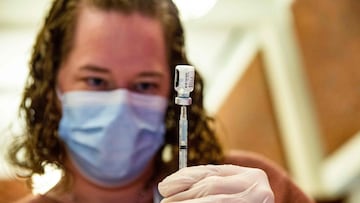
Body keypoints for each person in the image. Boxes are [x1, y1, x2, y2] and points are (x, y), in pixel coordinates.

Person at [7, 0, 315, 202]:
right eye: (96, 81)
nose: (120, 107)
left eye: (144, 84)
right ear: (53, 88)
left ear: (171, 91)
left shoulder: (248, 187)